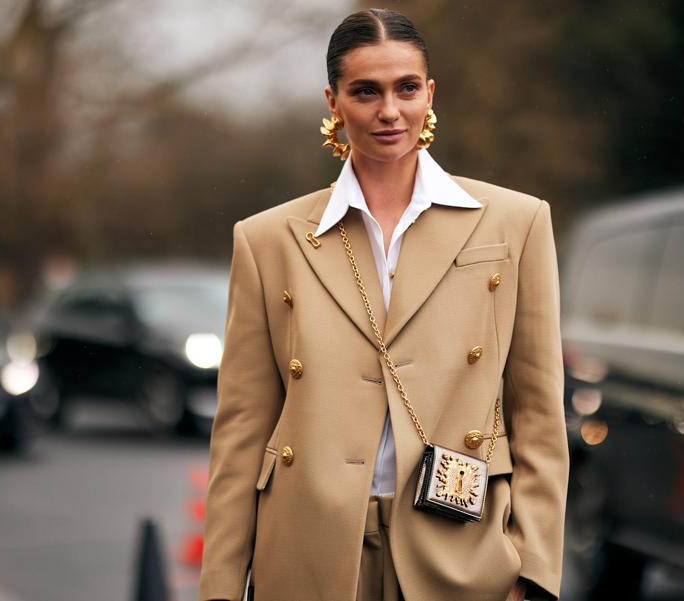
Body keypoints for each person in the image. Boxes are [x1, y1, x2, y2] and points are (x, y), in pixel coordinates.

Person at [198, 8, 568, 601]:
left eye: (406, 88)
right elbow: (242, 429)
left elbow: (541, 418)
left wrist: (535, 573)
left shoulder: (517, 222)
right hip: (306, 555)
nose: (389, 111)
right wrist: (220, 587)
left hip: (464, 553)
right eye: (365, 91)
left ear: (430, 93)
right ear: (334, 101)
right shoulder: (267, 239)